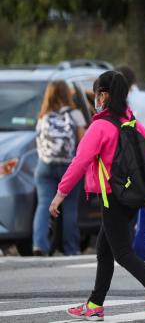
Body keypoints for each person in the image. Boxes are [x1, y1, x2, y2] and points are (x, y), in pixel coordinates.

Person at [48, 71, 145, 323]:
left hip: (112, 197)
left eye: (97, 93)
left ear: (104, 95)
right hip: (131, 197)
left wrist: (60, 195)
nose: (95, 99)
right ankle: (95, 305)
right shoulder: (131, 121)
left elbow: (79, 162)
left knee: (122, 252)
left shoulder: (100, 126)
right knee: (104, 250)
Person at [33, 80, 86, 256]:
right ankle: (71, 249)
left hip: (45, 166)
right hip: (68, 167)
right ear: (67, 94)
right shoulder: (76, 114)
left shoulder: (42, 115)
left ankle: (39, 245)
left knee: (44, 205)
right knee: (70, 208)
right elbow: (83, 141)